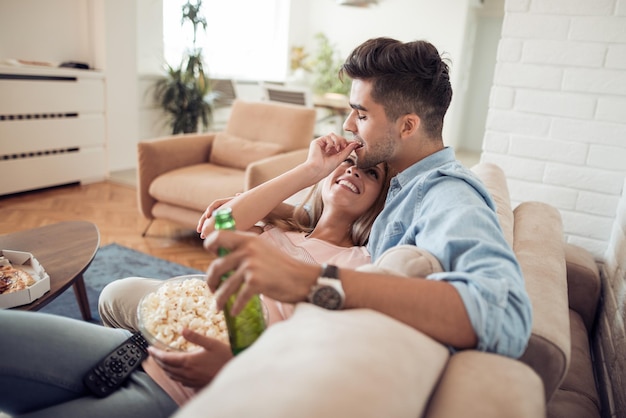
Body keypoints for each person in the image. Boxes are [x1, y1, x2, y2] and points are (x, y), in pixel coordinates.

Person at [0, 135, 391, 418]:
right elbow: (218, 226)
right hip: (138, 347)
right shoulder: (278, 227)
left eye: (370, 173)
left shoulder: (357, 261)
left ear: (380, 199)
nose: (353, 171)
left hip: (182, 389)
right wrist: (309, 170)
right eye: (348, 162)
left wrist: (235, 369)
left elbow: (318, 349)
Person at [202, 37, 533, 357]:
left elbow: (505, 318)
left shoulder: (448, 196)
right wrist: (283, 207)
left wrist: (310, 280)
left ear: (407, 126)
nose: (348, 125)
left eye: (361, 115)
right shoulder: (403, 185)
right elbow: (334, 227)